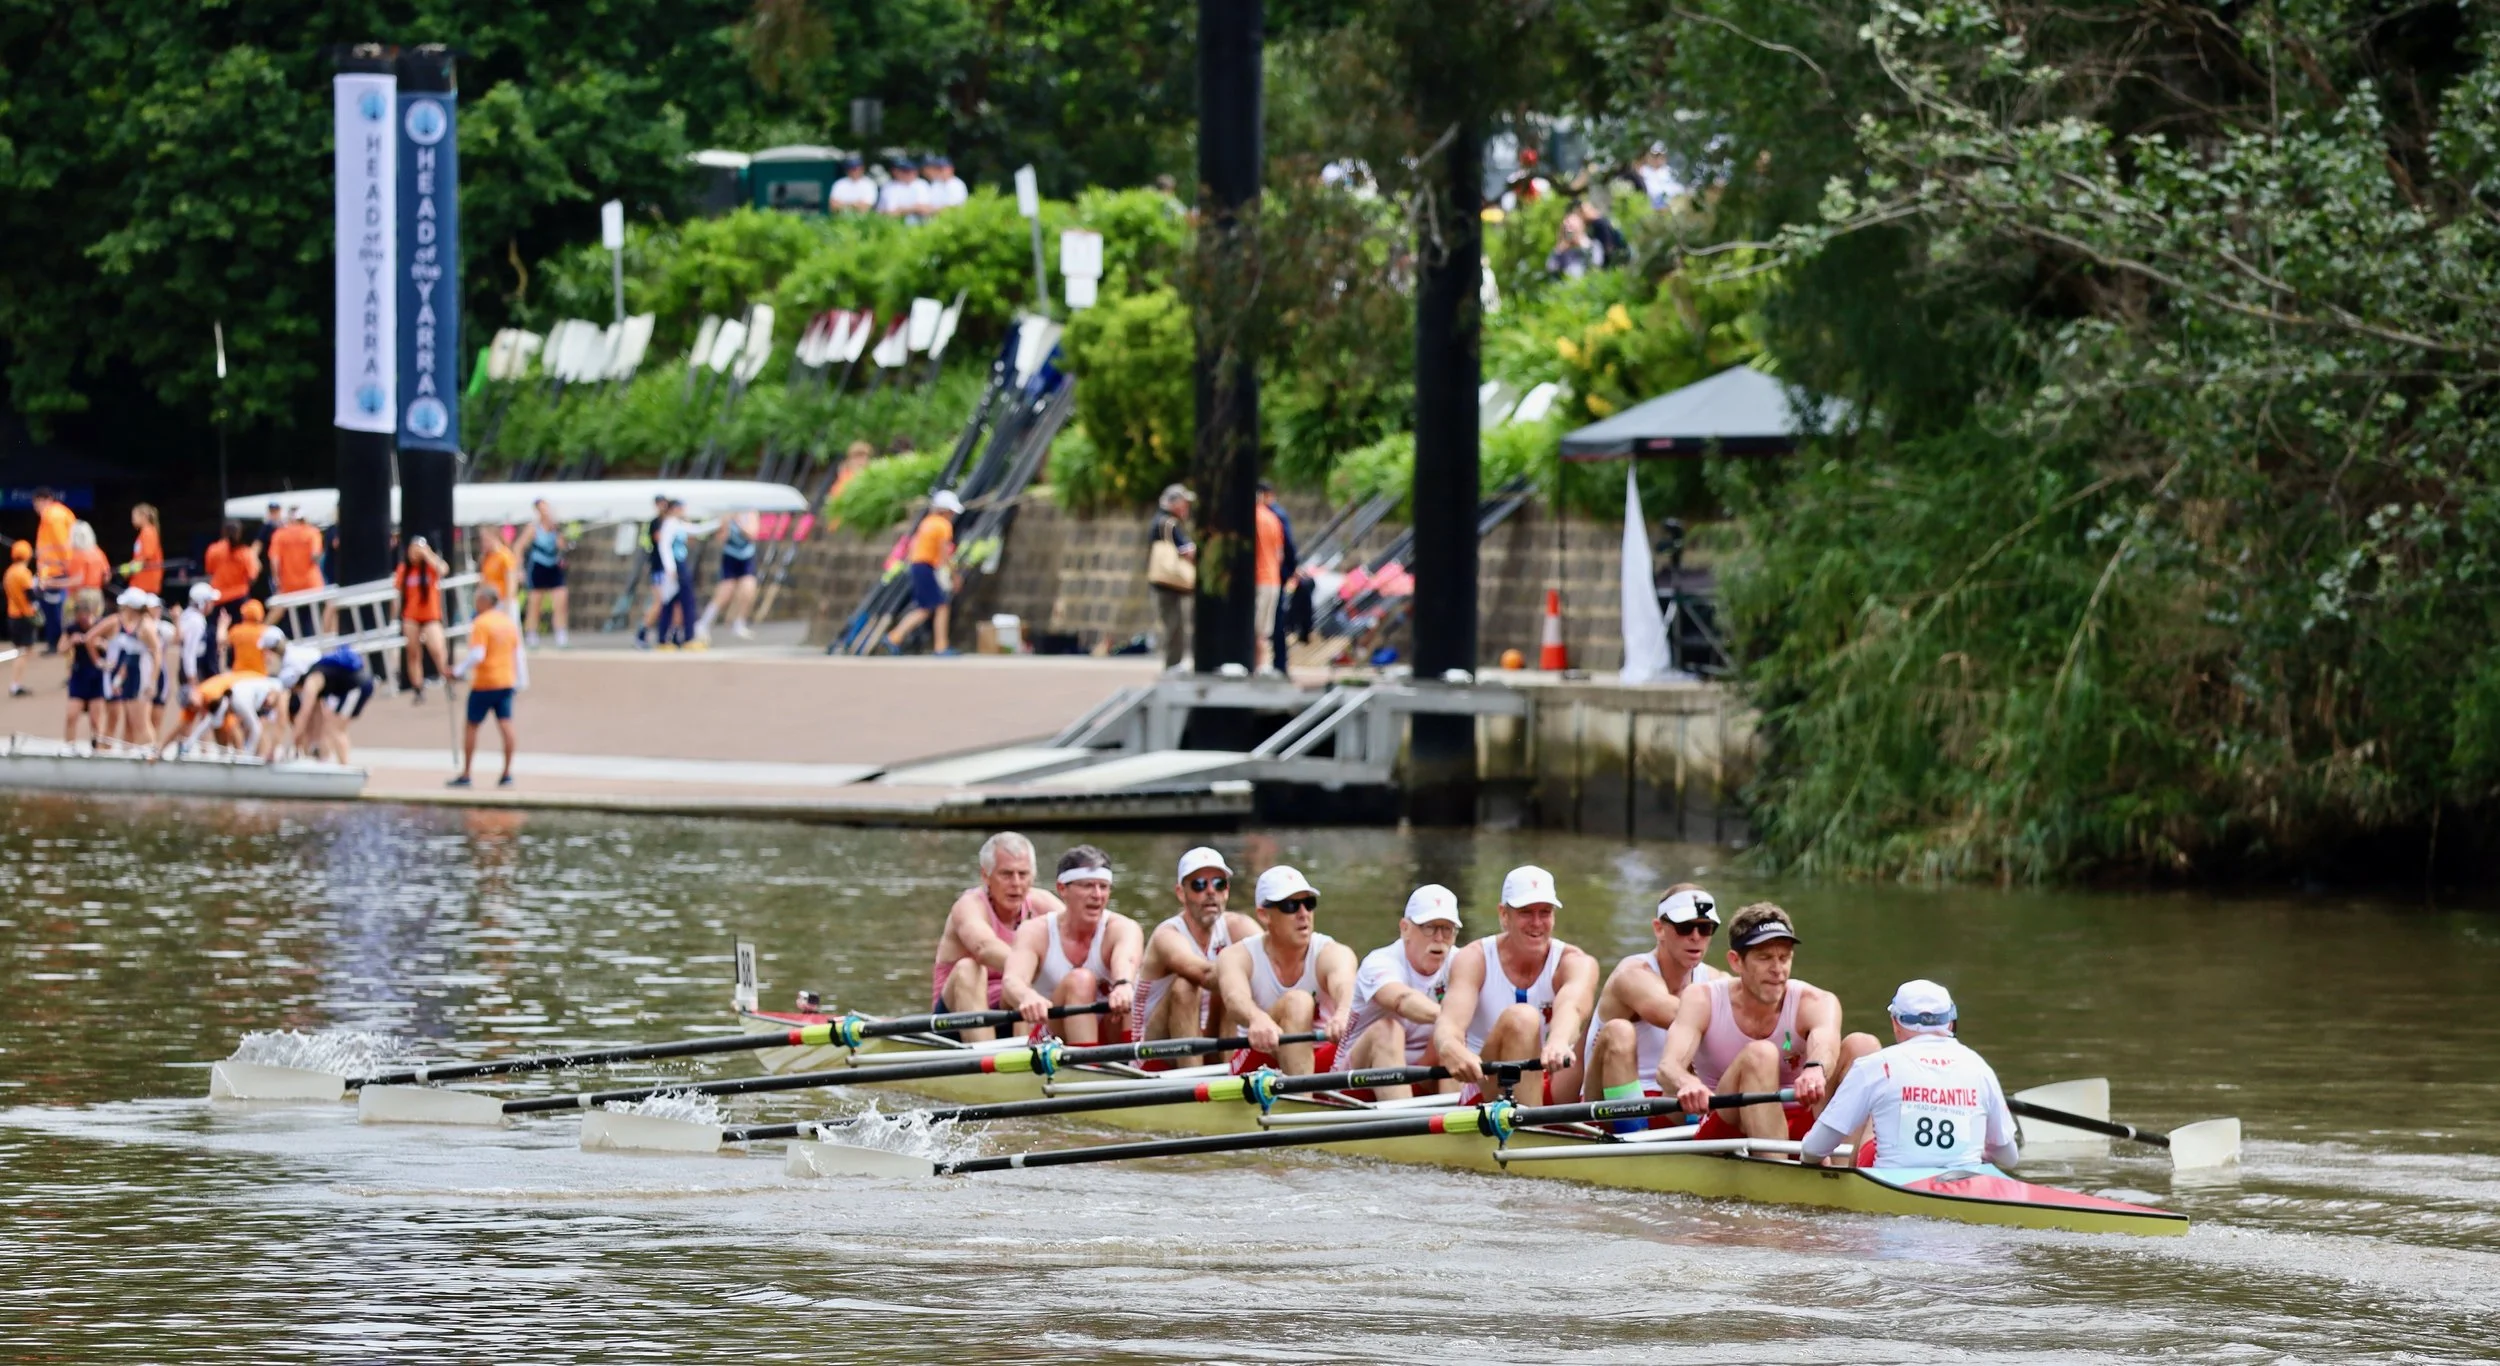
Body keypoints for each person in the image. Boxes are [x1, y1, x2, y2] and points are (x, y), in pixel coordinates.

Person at [1657, 903, 1881, 1144]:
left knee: (1864, 1046)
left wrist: (1815, 1069)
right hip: (1729, 1125)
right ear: (1736, 962)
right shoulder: (1701, 999)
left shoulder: (1816, 1001)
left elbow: (1825, 1045)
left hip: (1804, 1123)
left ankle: (1845, 1169)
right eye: (1764, 958)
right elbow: (1668, 1067)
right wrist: (1687, 1082)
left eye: (1784, 958)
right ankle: (1776, 1167)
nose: (1778, 970)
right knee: (1761, 1053)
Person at [1802, 980, 2020, 1171]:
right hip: (1964, 1184)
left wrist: (1813, 1158)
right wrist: (1981, 1148)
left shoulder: (1875, 1066)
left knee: (1877, 1103)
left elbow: (1813, 1149)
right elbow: (2009, 1158)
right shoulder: (1979, 1067)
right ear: (1951, 1023)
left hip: (1889, 1184)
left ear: (1895, 1023)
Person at [1432, 865, 1600, 1104]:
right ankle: (1533, 1129)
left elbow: (1572, 1007)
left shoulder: (1575, 962)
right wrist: (1449, 1045)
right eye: (1525, 912)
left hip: (1555, 1074)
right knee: (1522, 1018)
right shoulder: (1474, 958)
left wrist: (1559, 1041)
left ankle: (1623, 1127)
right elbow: (1449, 1022)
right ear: (1503, 914)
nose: (1536, 922)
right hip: (1488, 1087)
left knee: (1613, 1028)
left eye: (1545, 912)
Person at [1581, 885, 1730, 1124]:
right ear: (1659, 929)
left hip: (1672, 1096)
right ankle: (1631, 1137)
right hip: (1605, 1102)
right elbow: (1669, 1013)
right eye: (1684, 928)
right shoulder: (1632, 974)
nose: (1695, 937)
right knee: (1620, 1031)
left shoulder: (1716, 980)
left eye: (1705, 928)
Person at [1213, 865, 1356, 1076]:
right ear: (1264, 915)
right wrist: (1257, 1019)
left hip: (1319, 1059)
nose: (1304, 914)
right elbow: (1235, 999)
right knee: (1297, 1002)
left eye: (1309, 904)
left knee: (1382, 1028)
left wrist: (1343, 1014)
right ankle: (1304, 1100)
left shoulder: (1333, 953)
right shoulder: (1236, 956)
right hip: (1259, 1060)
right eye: (1291, 906)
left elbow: (1345, 985)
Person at [1001, 845, 1143, 1046]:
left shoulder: (1123, 928)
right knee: (1081, 981)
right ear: (1062, 889)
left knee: (1135, 985)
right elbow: (1012, 981)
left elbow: (1126, 960)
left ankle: (1134, 1063)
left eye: (1103, 887)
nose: (1097, 895)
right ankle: (1088, 1067)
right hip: (1053, 1038)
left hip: (1111, 1031)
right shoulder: (1035, 931)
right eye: (1087, 886)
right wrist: (1027, 996)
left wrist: (1123, 985)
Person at [931, 831, 1067, 1042]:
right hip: (956, 1019)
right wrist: (1030, 964)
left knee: (1033, 978)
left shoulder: (1043, 904)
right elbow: (984, 948)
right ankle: (986, 1059)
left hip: (1012, 1011)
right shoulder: (969, 906)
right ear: (985, 876)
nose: (1016, 883)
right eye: (1006, 874)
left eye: (1023, 874)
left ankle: (1027, 1055)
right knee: (969, 968)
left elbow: (1081, 934)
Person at [1340, 884, 1463, 1100]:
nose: (1439, 938)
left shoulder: (1463, 963)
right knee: (1388, 1030)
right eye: (1429, 927)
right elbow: (1401, 1000)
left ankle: (1456, 1121)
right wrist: (1451, 1016)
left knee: (1455, 1035)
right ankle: (1404, 1125)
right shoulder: (1379, 962)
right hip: (1356, 1081)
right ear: (1405, 928)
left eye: (1447, 929)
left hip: (1423, 1074)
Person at [1130, 847, 1258, 1053]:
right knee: (1187, 986)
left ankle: (1231, 1072)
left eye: (1219, 884)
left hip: (1210, 1038)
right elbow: (1204, 974)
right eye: (1199, 885)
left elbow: (1272, 960)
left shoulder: (1239, 926)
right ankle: (1192, 1074)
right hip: (1155, 1050)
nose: (1210, 892)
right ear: (1181, 893)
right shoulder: (1168, 935)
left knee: (1231, 982)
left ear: (1226, 891)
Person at [447, 583, 525, 788]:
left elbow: (477, 654)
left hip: (485, 683)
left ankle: (466, 773)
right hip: (506, 680)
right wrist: (519, 679)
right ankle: (507, 773)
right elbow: (517, 653)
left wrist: (457, 671)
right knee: (506, 724)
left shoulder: (481, 623)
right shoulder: (508, 623)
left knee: (471, 726)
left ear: (485, 601)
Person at [882, 490, 961, 655]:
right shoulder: (942, 525)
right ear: (945, 510)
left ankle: (895, 636)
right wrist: (954, 575)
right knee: (940, 606)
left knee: (926, 608)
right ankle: (940, 647)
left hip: (917, 566)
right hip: (926, 567)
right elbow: (944, 553)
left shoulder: (927, 522)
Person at [292, 641, 375, 763]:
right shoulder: (318, 673)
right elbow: (318, 717)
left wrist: (294, 741)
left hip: (357, 686)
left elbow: (304, 714)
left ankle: (345, 767)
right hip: (356, 685)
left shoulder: (311, 682)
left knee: (336, 728)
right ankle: (324, 759)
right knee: (330, 723)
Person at [394, 536, 450, 700]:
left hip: (430, 616)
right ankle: (418, 688)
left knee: (438, 649)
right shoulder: (405, 569)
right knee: (413, 653)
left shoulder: (430, 568)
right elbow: (398, 592)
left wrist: (427, 554)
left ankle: (447, 680)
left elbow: (443, 569)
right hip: (411, 616)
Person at [1147, 484, 1196, 671]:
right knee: (1174, 626)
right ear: (1174, 503)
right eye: (1184, 503)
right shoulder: (1168, 523)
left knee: (1173, 625)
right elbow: (1186, 550)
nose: (1186, 507)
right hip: (1167, 582)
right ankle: (1172, 665)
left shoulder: (1159, 520)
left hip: (1163, 584)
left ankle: (1173, 663)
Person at [697, 507, 761, 642]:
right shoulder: (726, 514)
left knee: (748, 589)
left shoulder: (750, 512)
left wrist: (739, 523)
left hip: (746, 555)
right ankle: (703, 623)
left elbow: (752, 534)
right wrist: (726, 523)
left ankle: (739, 622)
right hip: (730, 555)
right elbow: (721, 538)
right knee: (725, 591)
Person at [103, 588, 157, 745]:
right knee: (132, 721)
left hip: (141, 674)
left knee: (141, 723)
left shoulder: (145, 626)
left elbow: (157, 653)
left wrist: (152, 681)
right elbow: (129, 654)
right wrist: (119, 679)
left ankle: (151, 755)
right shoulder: (134, 624)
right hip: (132, 672)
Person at [268, 507, 326, 637]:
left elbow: (274, 560)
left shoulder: (280, 534)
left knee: (290, 626)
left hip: (289, 587)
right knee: (311, 625)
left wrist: (276, 579)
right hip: (311, 586)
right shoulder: (312, 532)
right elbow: (315, 555)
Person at [202, 520, 260, 648]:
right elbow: (252, 576)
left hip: (218, 597)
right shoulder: (245, 553)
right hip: (239, 597)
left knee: (215, 632)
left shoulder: (214, 550)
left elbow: (210, 570)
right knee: (240, 632)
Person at [521, 500, 570, 647]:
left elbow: (562, 547)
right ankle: (531, 634)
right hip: (538, 566)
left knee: (561, 600)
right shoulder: (533, 528)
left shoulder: (555, 528)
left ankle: (561, 634)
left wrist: (558, 533)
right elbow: (520, 546)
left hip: (553, 566)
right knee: (535, 603)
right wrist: (519, 569)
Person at [31, 488, 74, 651]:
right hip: (55, 571)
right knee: (57, 609)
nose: (35, 508)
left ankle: (56, 642)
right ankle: (56, 641)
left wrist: (68, 566)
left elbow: (61, 543)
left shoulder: (52, 515)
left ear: (45, 500)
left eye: (36, 504)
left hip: (57, 572)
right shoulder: (60, 513)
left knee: (56, 610)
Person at [61, 590, 108, 742]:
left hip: (97, 676)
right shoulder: (72, 628)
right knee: (71, 716)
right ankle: (69, 747)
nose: (83, 617)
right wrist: (71, 642)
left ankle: (98, 751)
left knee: (96, 720)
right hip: (79, 674)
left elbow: (114, 647)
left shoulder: (102, 625)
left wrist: (101, 644)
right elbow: (61, 648)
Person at [1253, 484, 1285, 674]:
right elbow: (1279, 553)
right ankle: (1263, 665)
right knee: (1265, 630)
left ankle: (1256, 666)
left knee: (1255, 628)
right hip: (1273, 578)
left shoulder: (1254, 518)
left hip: (1258, 577)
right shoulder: (1273, 518)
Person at [176, 582, 218, 692]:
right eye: (210, 601)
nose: (212, 604)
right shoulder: (195, 621)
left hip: (193, 667)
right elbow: (189, 651)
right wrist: (192, 678)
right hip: (195, 669)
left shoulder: (190, 616)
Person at [5, 541, 34, 696]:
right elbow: (30, 595)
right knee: (24, 651)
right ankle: (15, 684)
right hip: (24, 615)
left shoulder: (9, 572)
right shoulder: (24, 573)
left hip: (12, 615)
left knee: (20, 650)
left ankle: (16, 682)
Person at [224, 599, 281, 676]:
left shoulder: (236, 631)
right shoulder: (265, 631)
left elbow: (223, 642)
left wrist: (223, 626)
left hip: (240, 673)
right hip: (260, 673)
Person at [124, 504, 164, 597]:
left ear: (143, 517)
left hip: (146, 582)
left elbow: (144, 558)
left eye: (134, 516)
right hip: (141, 582)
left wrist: (128, 569)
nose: (132, 520)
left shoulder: (148, 533)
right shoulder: (144, 533)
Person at [477, 525, 518, 608]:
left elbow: (511, 583)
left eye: (486, 540)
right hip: (491, 603)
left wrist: (508, 605)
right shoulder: (486, 558)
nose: (483, 543)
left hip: (504, 602)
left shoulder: (505, 556)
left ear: (494, 537)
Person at [67, 521, 111, 595]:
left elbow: (77, 581)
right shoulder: (98, 552)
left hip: (80, 595)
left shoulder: (78, 554)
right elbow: (106, 576)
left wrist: (53, 584)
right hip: (96, 593)